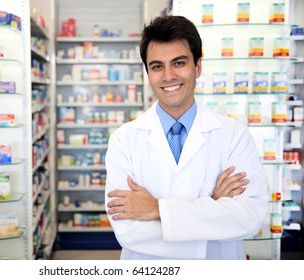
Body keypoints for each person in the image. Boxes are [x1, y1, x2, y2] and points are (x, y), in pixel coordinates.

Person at [105, 15, 269, 260]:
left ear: (198, 66)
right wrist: (213, 207)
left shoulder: (234, 135)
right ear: (148, 73)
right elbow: (129, 231)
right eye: (157, 66)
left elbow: (249, 217)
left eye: (179, 62)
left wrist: (156, 209)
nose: (168, 76)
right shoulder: (123, 140)